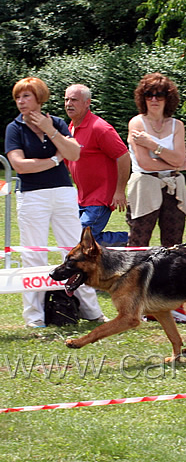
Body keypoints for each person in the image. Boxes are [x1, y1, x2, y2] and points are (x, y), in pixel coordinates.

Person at [4, 77, 107, 328]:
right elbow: (19, 166)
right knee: (33, 255)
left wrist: (51, 131)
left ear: (39, 98)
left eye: (26, 96)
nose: (21, 101)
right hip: (32, 197)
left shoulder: (58, 123)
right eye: (18, 97)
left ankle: (93, 311)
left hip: (62, 193)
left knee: (77, 251)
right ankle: (34, 318)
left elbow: (74, 154)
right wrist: (54, 159)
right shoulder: (14, 128)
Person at [126, 73, 186, 247]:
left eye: (159, 95)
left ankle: (170, 275)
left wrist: (152, 144)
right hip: (145, 185)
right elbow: (144, 163)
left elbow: (180, 158)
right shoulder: (137, 123)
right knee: (139, 240)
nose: (154, 99)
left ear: (167, 98)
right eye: (149, 95)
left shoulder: (177, 125)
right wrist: (174, 163)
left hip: (173, 188)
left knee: (174, 243)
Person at [64, 84, 130, 246]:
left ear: (88, 103)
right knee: (78, 238)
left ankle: (130, 240)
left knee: (82, 239)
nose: (68, 104)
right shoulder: (71, 127)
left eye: (74, 100)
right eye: (66, 99)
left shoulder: (100, 128)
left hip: (100, 198)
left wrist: (120, 191)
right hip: (80, 198)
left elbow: (123, 156)